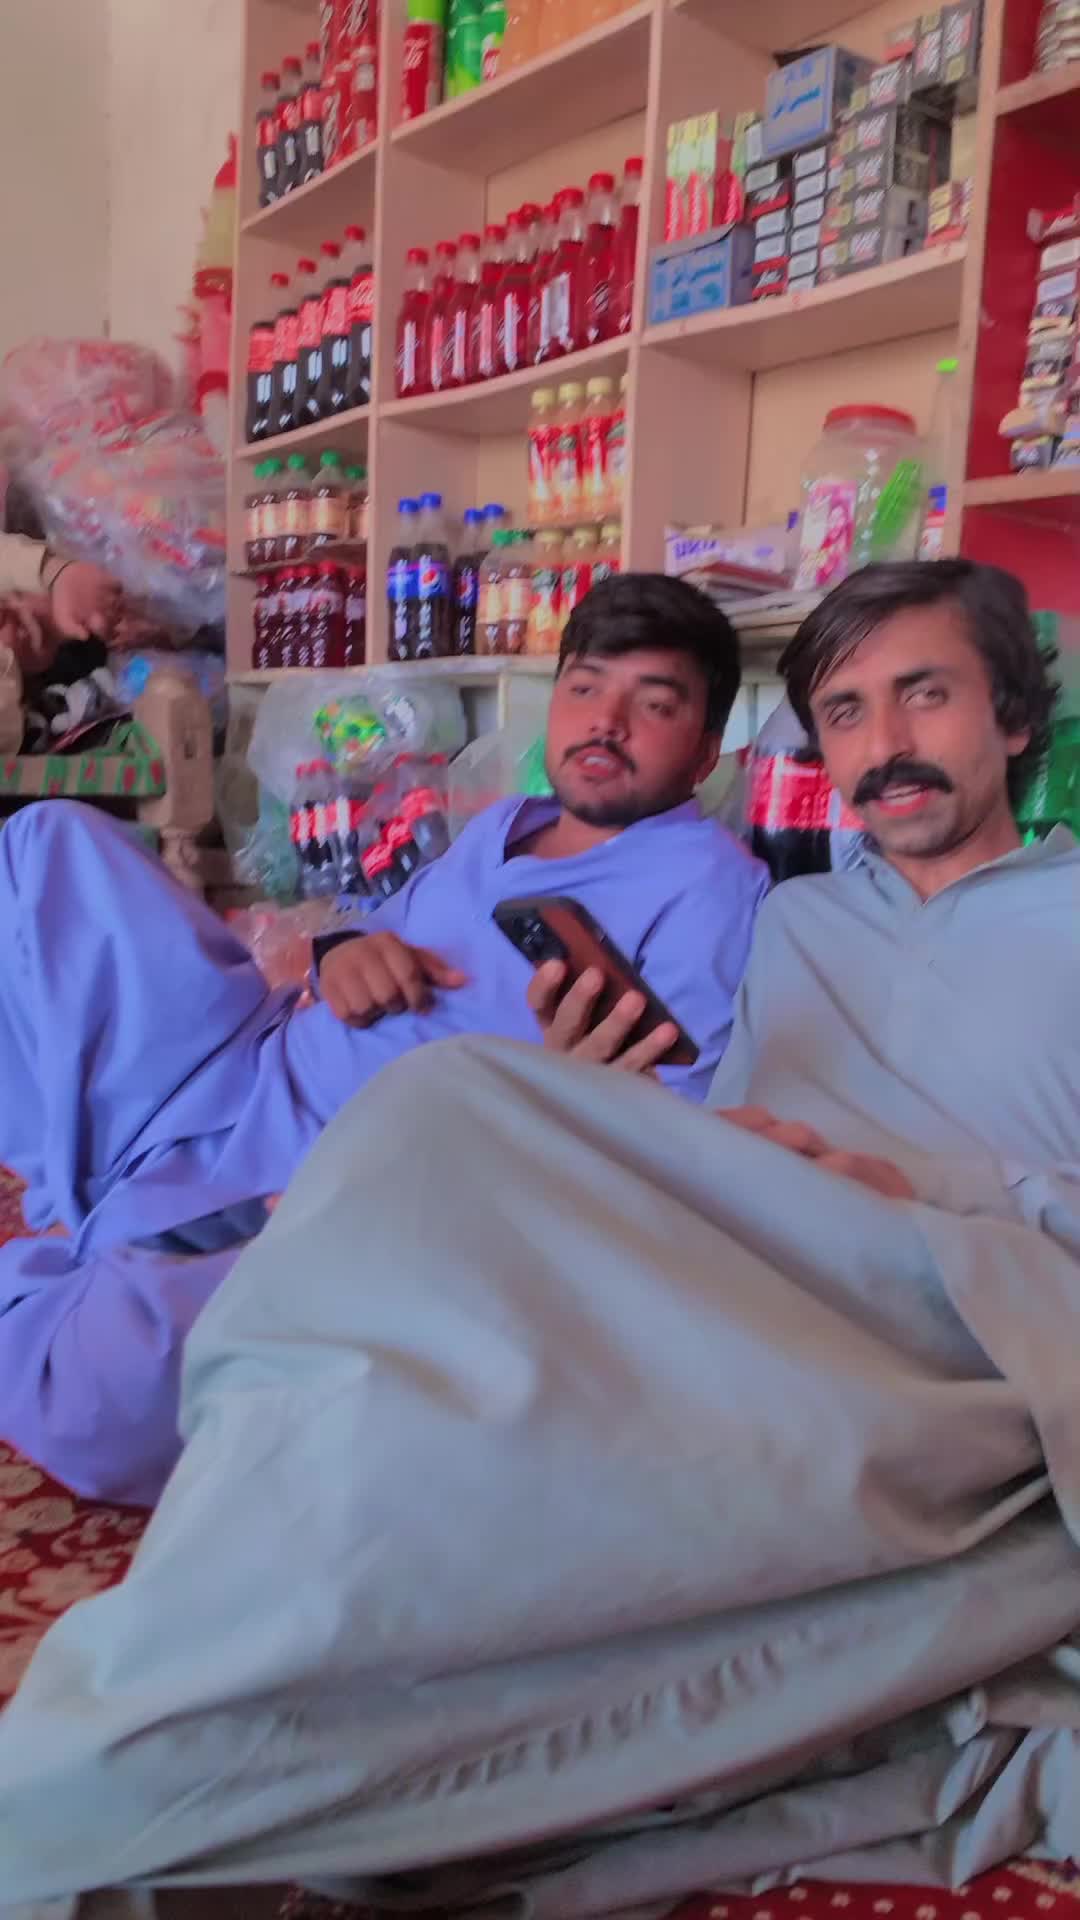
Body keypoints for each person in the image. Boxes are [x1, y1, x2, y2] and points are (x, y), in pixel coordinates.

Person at [4, 561, 1079, 1913]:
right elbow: (704, 1126)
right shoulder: (803, 918)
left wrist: (905, 1181)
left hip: (956, 1293)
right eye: (850, 712)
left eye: (927, 696)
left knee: (442, 1123)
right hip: (735, 1247)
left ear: (1015, 720)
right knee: (403, 1261)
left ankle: (136, 1788)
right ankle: (144, 1761)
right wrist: (595, 1111)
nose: (888, 743)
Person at [0, 572, 767, 1504]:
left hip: (358, 1183)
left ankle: (107, 1226)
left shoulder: (709, 886)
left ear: (706, 752)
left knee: (101, 1394)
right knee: (44, 848)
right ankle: (104, 1204)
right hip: (246, 1066)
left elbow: (673, 1126)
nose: (605, 721)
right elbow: (373, 923)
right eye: (585, 687)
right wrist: (347, 953)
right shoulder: (506, 825)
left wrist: (560, 1091)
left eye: (654, 704)